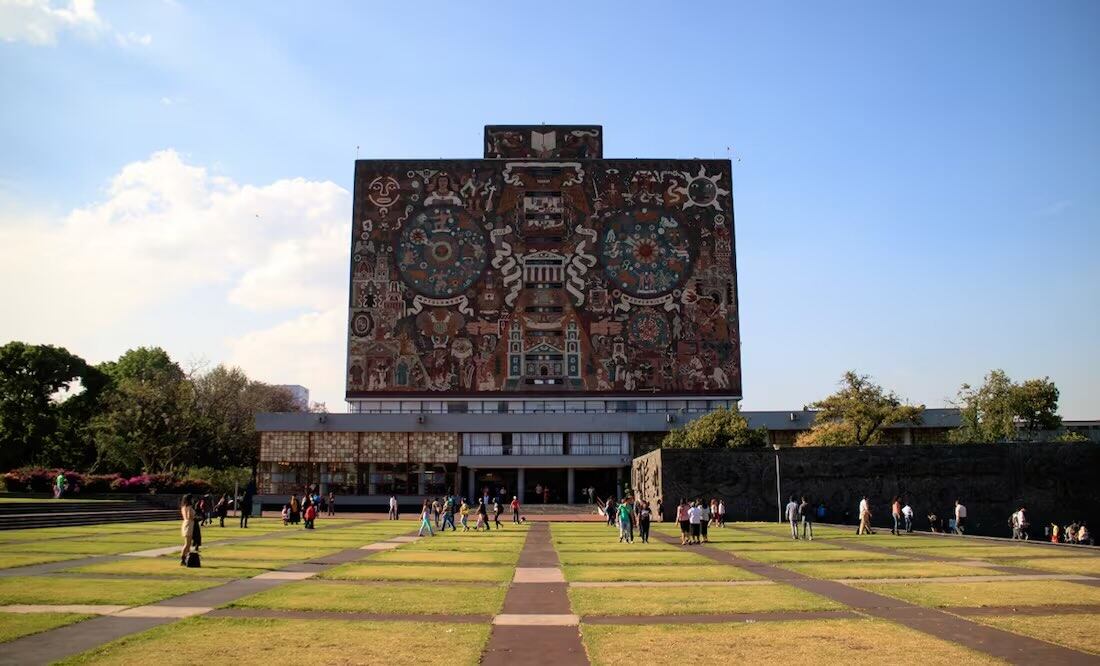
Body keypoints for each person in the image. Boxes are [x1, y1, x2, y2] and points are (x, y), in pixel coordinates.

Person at [179, 494, 196, 566]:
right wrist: (195, 517)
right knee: (187, 544)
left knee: (188, 544)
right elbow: (189, 516)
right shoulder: (189, 507)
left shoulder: (183, 507)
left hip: (186, 523)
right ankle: (183, 559)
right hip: (189, 524)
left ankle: (187, 558)